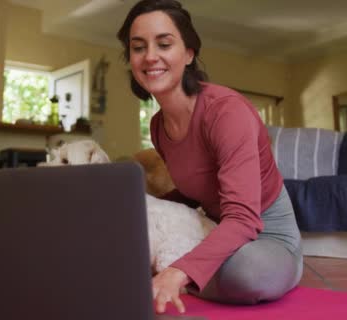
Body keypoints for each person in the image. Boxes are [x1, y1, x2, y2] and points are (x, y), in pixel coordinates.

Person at [117, 0, 303, 314]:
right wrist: (139, 208)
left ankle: (172, 276)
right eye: (138, 47)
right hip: (212, 231)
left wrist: (177, 270)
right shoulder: (159, 126)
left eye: (164, 43)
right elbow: (192, 194)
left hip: (263, 236)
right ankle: (177, 274)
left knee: (248, 272)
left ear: (188, 53)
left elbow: (244, 218)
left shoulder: (227, 112)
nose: (150, 56)